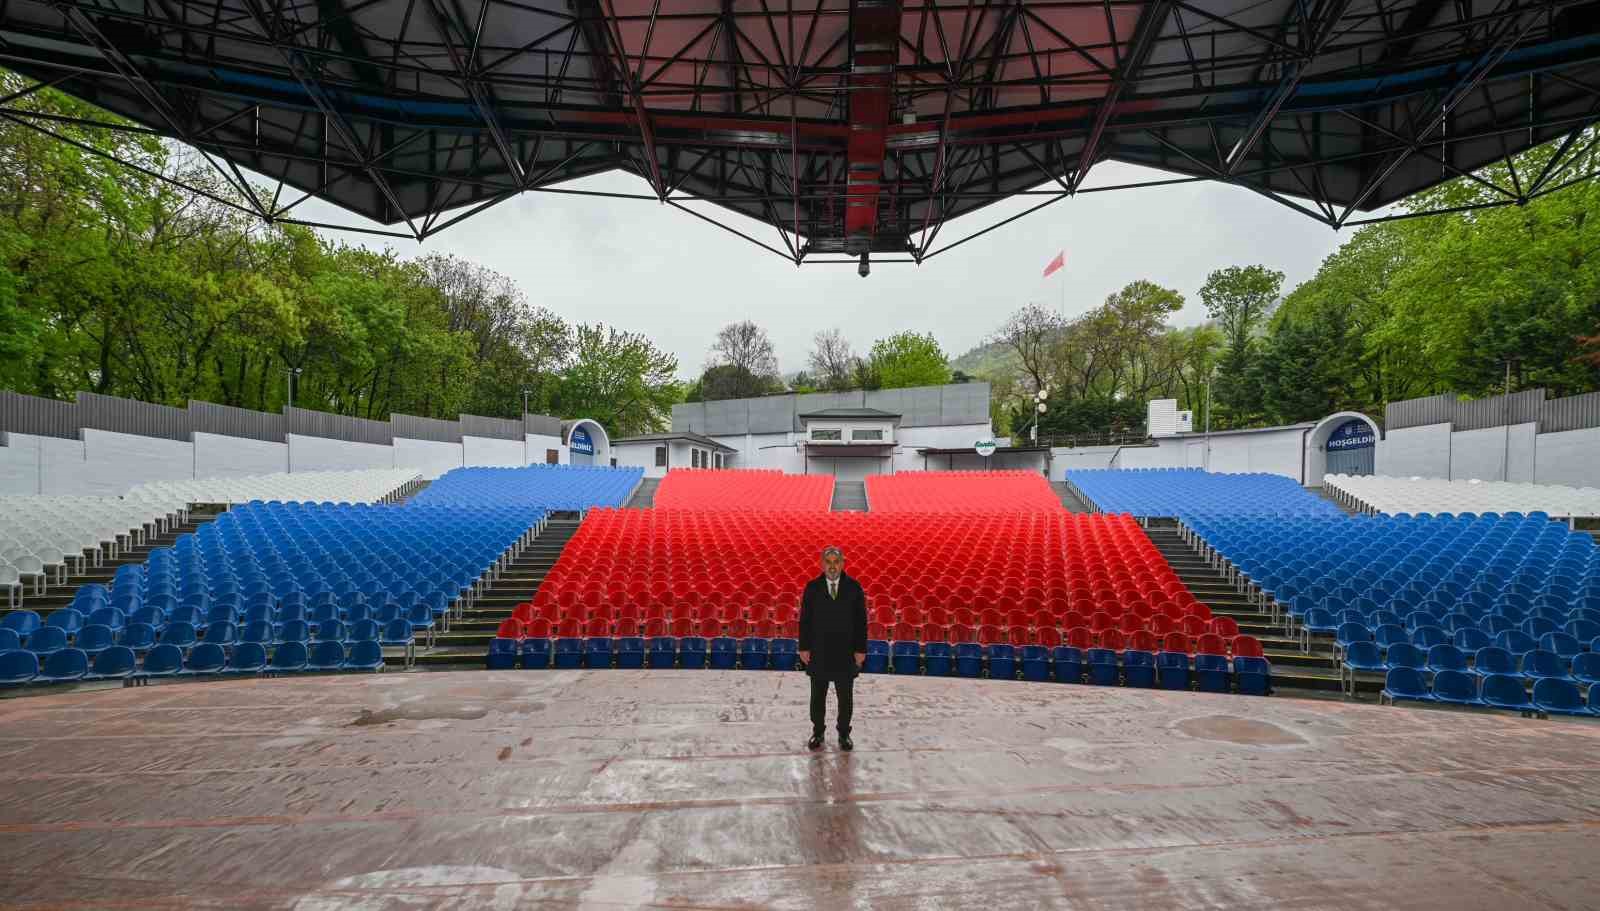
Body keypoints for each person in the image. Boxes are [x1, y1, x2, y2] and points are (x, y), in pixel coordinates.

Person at [798, 545, 867, 751]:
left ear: (843, 563)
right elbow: (805, 620)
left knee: (845, 697)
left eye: (836, 561)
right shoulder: (812, 587)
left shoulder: (854, 588)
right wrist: (804, 647)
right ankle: (818, 732)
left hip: (846, 653)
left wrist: (860, 649)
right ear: (822, 564)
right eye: (828, 562)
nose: (832, 566)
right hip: (819, 651)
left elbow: (861, 621)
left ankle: (844, 733)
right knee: (817, 696)